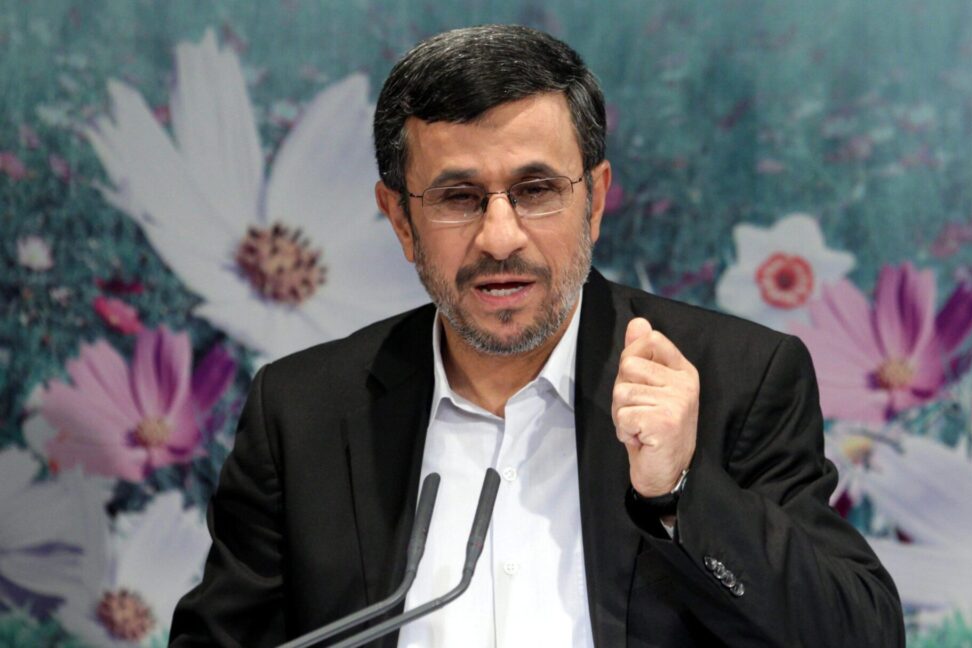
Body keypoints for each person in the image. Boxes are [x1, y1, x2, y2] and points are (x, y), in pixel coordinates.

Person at [170, 24, 904, 647]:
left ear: (595, 201)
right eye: (459, 197)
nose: (500, 237)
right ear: (400, 220)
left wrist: (682, 490)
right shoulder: (303, 412)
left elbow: (860, 634)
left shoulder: (736, 380)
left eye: (536, 191)